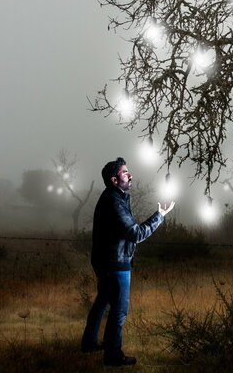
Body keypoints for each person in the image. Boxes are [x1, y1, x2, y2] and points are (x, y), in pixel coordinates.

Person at [80, 157, 175, 366]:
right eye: (125, 172)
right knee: (119, 310)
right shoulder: (114, 201)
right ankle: (113, 356)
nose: (130, 175)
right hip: (115, 263)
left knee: (103, 299)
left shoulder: (117, 197)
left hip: (107, 261)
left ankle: (88, 343)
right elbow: (136, 233)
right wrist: (159, 216)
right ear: (115, 180)